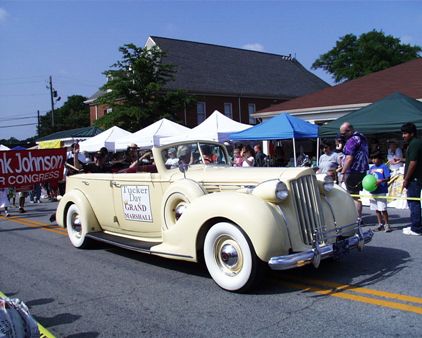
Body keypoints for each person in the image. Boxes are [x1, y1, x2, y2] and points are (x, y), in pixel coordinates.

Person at [339, 122, 369, 225]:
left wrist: (343, 172)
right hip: (362, 170)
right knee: (356, 195)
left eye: (343, 134)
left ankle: (357, 219)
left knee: (354, 196)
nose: (342, 136)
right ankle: (358, 217)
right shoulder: (362, 137)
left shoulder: (352, 140)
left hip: (353, 171)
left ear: (349, 130)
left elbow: (349, 157)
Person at [401, 122, 422, 236]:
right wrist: (401, 160)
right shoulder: (417, 143)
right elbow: (412, 160)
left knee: (413, 202)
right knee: (415, 202)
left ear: (412, 133)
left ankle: (416, 228)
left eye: (405, 133)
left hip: (414, 178)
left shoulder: (414, 144)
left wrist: (406, 179)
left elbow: (413, 163)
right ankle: (417, 225)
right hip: (418, 177)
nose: (403, 136)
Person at [369, 152, 391, 232]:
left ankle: (387, 225)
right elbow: (369, 178)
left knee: (383, 209)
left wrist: (381, 180)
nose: (373, 160)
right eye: (372, 159)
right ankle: (380, 224)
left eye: (375, 158)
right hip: (373, 191)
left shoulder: (384, 167)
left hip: (381, 190)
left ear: (380, 158)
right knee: (376, 209)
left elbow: (388, 178)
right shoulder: (371, 168)